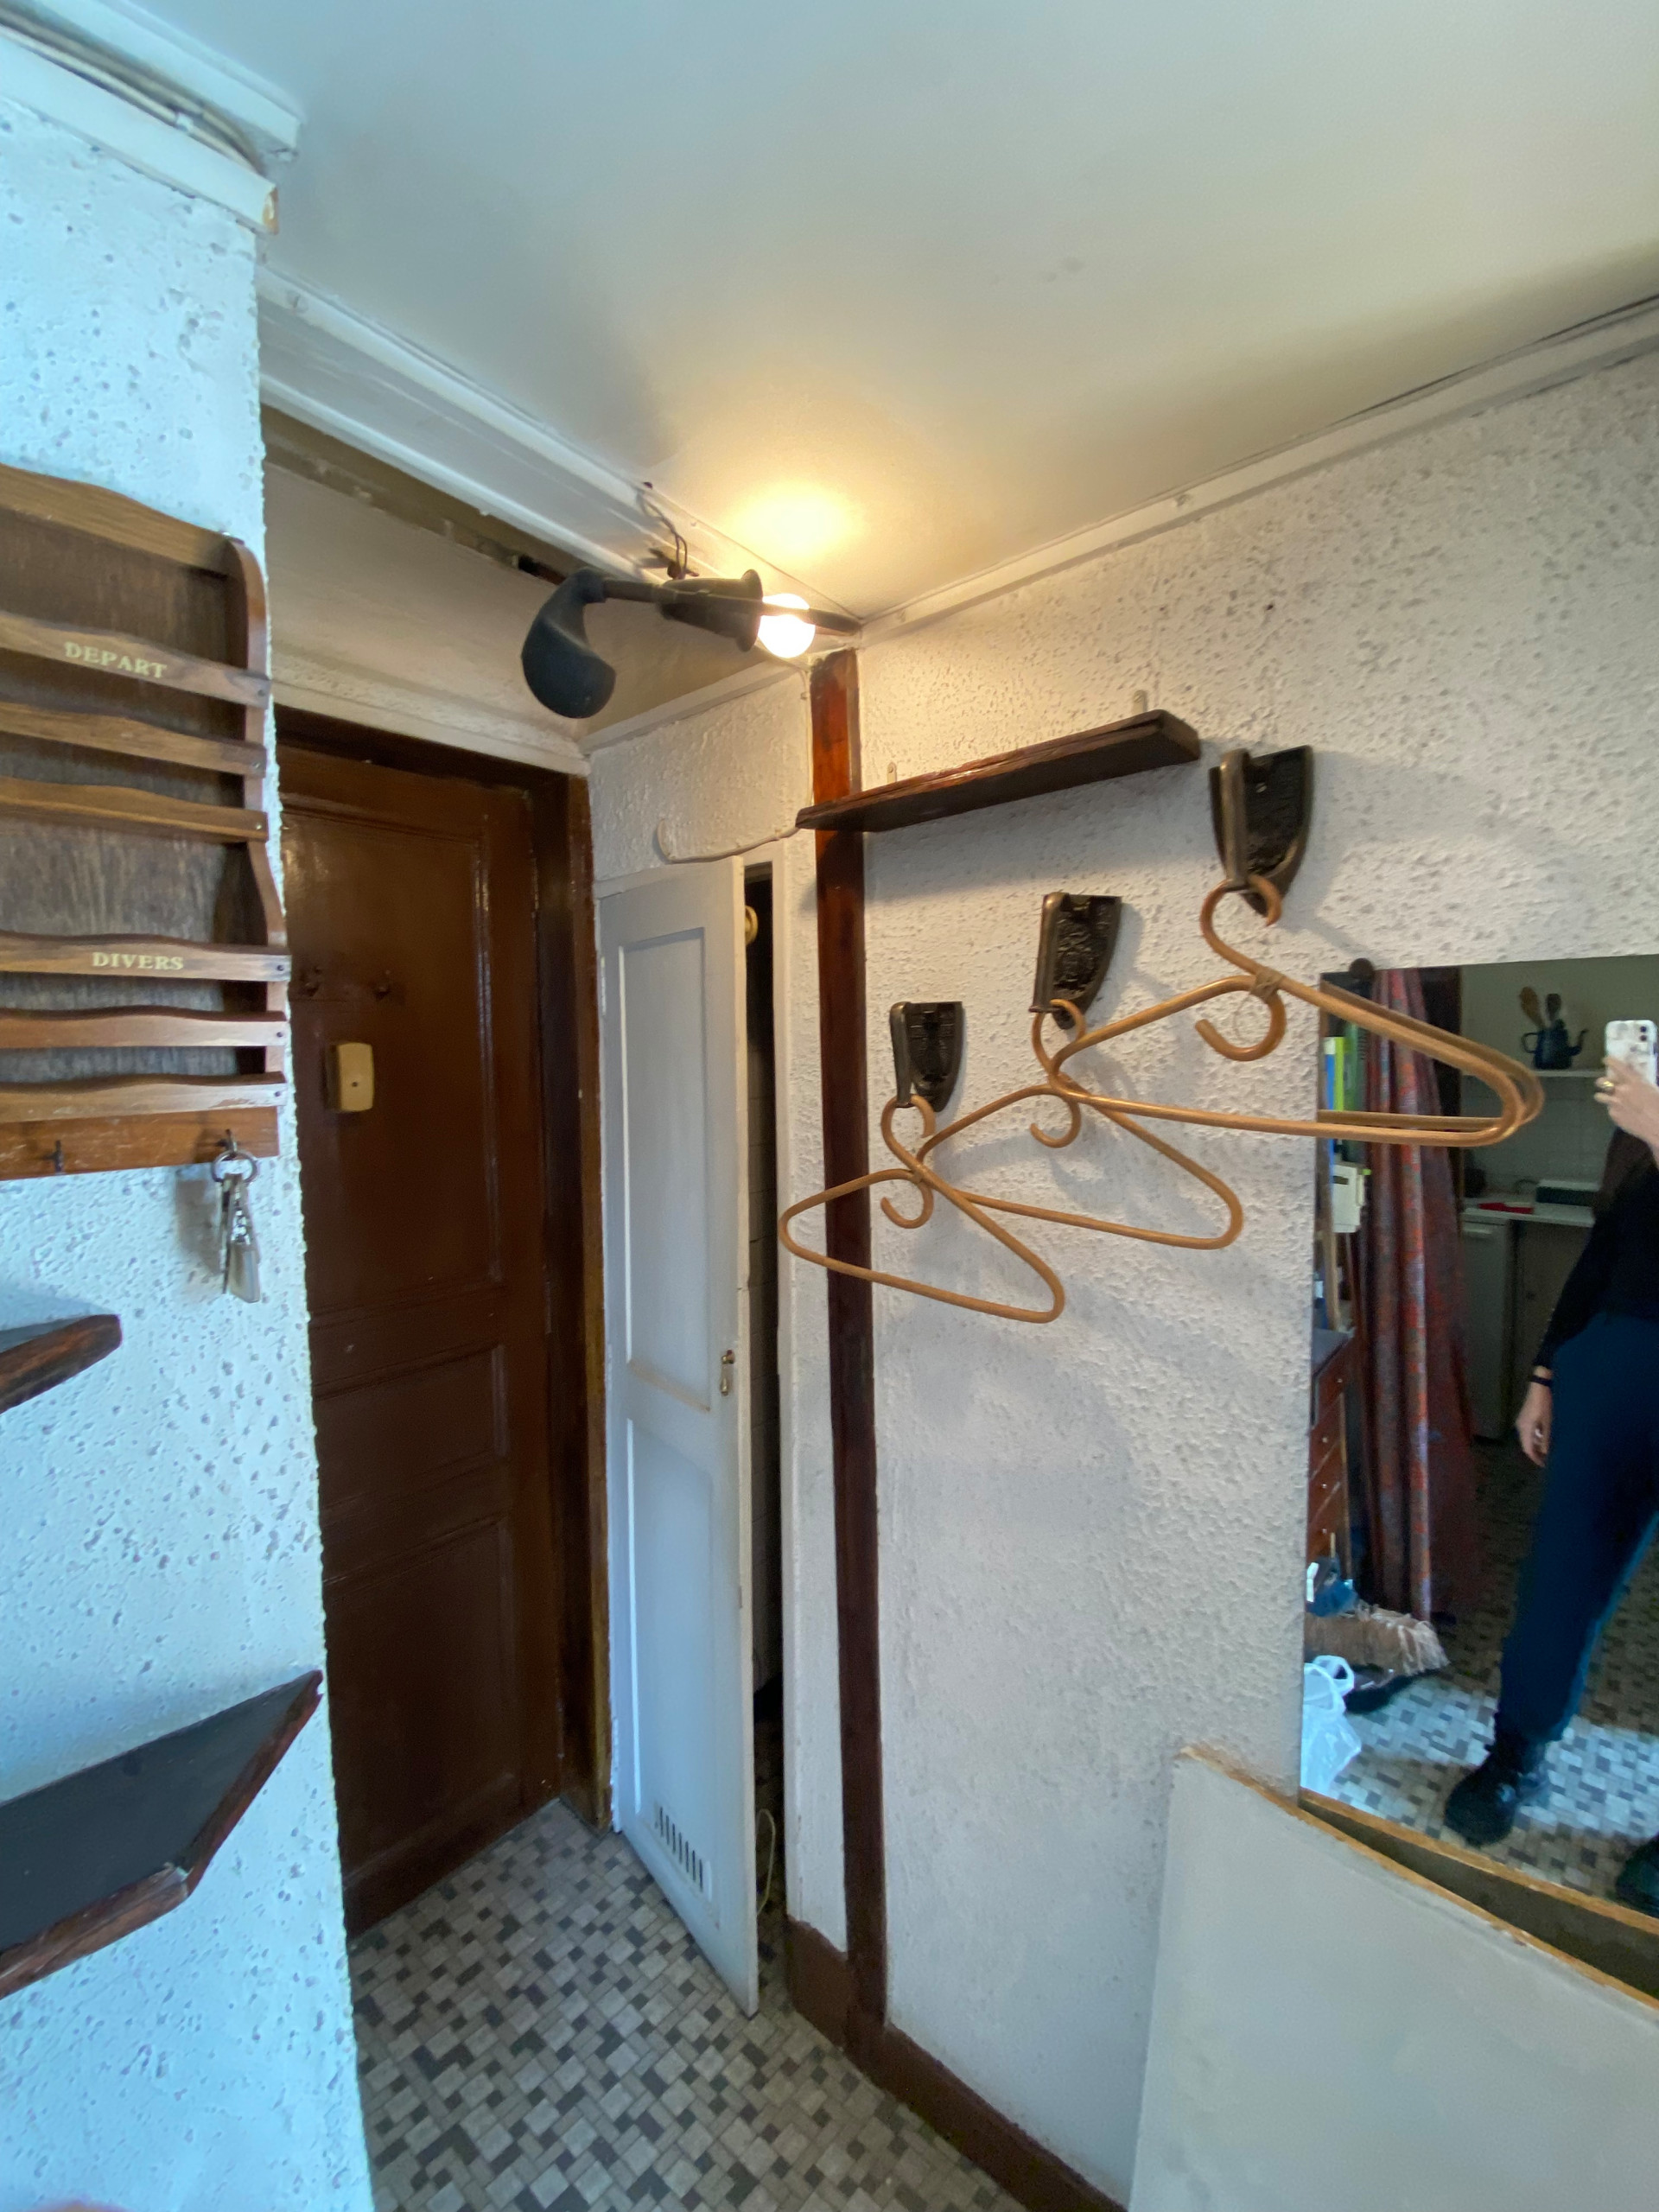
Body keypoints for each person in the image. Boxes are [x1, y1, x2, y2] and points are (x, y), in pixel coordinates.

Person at [1444, 1051, 1659, 1914]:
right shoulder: (1641, 1125)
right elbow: (1602, 1258)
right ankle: (1515, 1754)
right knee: (1561, 1576)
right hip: (1612, 1365)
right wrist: (1545, 1374)